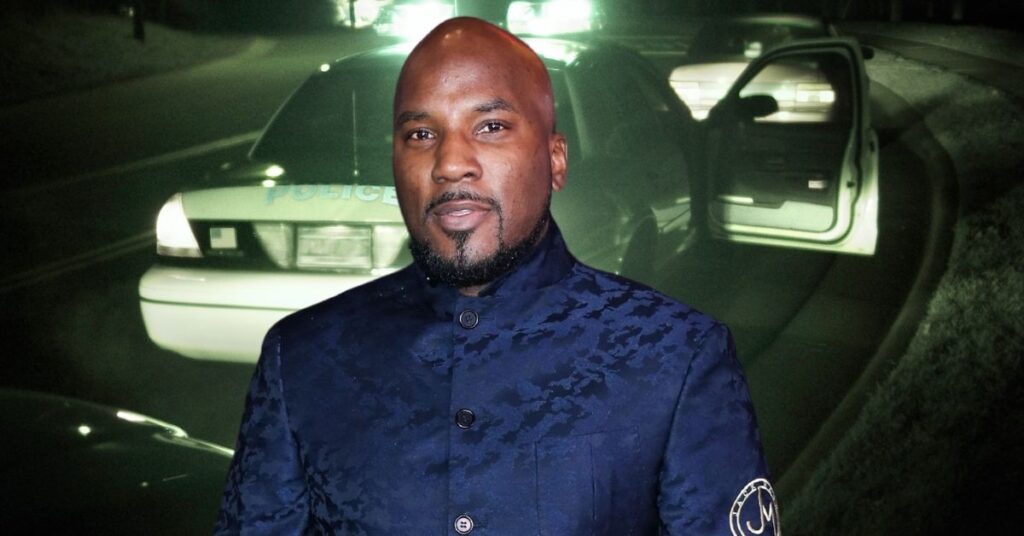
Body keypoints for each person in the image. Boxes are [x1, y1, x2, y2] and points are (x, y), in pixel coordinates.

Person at [216, 17, 778, 536]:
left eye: (490, 126)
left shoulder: (676, 356)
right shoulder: (302, 358)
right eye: (420, 134)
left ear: (555, 160)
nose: (449, 163)